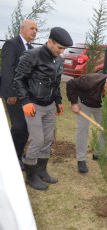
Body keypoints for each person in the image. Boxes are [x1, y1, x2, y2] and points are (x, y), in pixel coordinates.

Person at [14, 27, 73, 190]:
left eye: (64, 49)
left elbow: (56, 82)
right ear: (50, 41)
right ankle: (30, 176)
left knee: (47, 140)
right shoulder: (32, 56)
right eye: (59, 48)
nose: (61, 52)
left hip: (49, 106)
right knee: (37, 140)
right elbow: (18, 79)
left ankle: (41, 171)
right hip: (33, 105)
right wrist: (25, 101)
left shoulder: (58, 60)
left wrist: (59, 101)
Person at [0, 19, 37, 170]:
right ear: (22, 29)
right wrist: (10, 92)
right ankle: (12, 157)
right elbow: (8, 70)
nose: (34, 31)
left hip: (26, 94)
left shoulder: (31, 48)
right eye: (32, 28)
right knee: (20, 126)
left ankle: (17, 154)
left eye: (36, 29)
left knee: (26, 126)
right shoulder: (11, 45)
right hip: (14, 93)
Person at [66, 73, 107, 173]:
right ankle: (81, 160)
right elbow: (70, 83)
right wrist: (74, 103)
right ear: (105, 83)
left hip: (100, 105)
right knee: (83, 129)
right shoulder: (91, 81)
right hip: (83, 103)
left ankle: (99, 154)